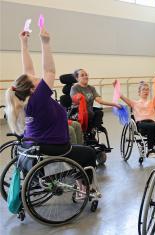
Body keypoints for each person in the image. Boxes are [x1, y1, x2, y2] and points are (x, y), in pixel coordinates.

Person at [4, 28, 97, 189]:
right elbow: (49, 70)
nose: (37, 77)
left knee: (75, 134)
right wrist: (45, 43)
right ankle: (84, 187)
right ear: (33, 89)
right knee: (89, 153)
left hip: (35, 144)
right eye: (35, 79)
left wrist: (24, 44)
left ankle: (78, 180)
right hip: (55, 147)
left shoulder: (26, 99)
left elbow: (27, 71)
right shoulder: (37, 99)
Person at [113, 76, 155, 151]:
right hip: (141, 124)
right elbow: (121, 96)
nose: (146, 91)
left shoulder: (152, 102)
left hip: (153, 123)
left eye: (147, 90)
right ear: (139, 93)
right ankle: (151, 149)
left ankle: (153, 148)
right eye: (143, 90)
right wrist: (115, 87)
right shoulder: (134, 103)